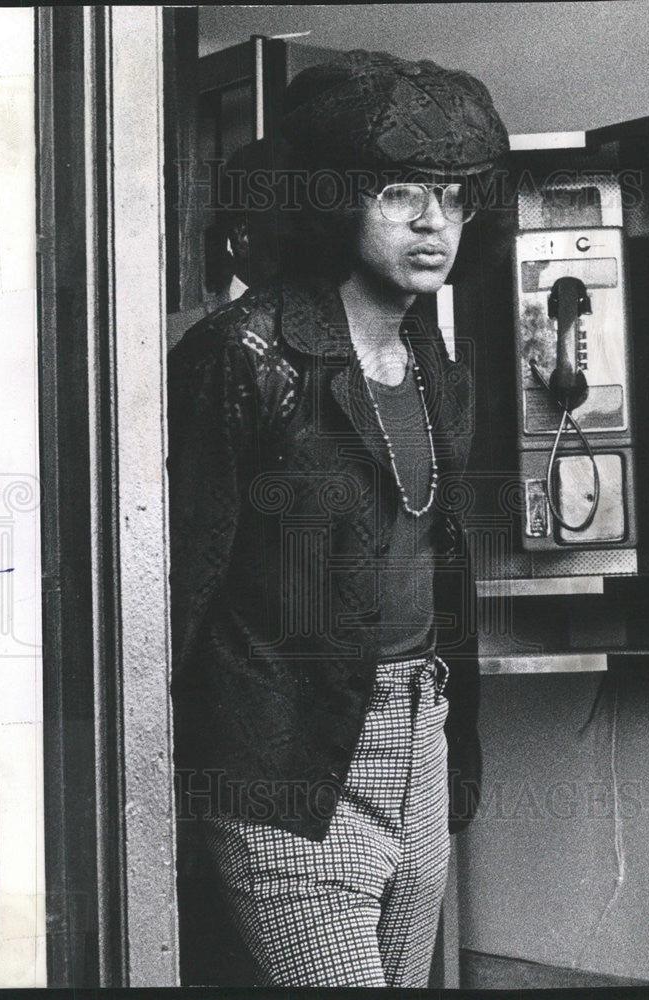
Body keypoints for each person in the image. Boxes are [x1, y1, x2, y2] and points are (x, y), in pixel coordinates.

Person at [167, 48, 509, 987]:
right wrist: (164, 790)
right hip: (286, 751)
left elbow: (441, 561)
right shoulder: (242, 355)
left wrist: (448, 733)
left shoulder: (436, 362)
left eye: (454, 195)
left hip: (419, 725)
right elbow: (178, 584)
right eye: (403, 193)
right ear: (339, 200)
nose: (434, 222)